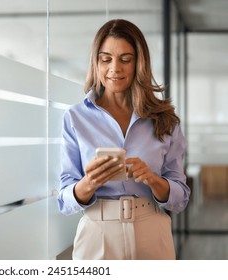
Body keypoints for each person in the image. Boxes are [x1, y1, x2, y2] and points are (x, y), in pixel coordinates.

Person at [57, 19, 190, 260]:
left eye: (125, 59)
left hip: (151, 231)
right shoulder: (75, 118)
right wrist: (89, 182)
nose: (115, 68)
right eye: (105, 59)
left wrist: (152, 179)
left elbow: (180, 198)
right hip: (97, 234)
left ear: (139, 63)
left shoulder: (165, 120)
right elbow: (64, 200)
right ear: (95, 63)